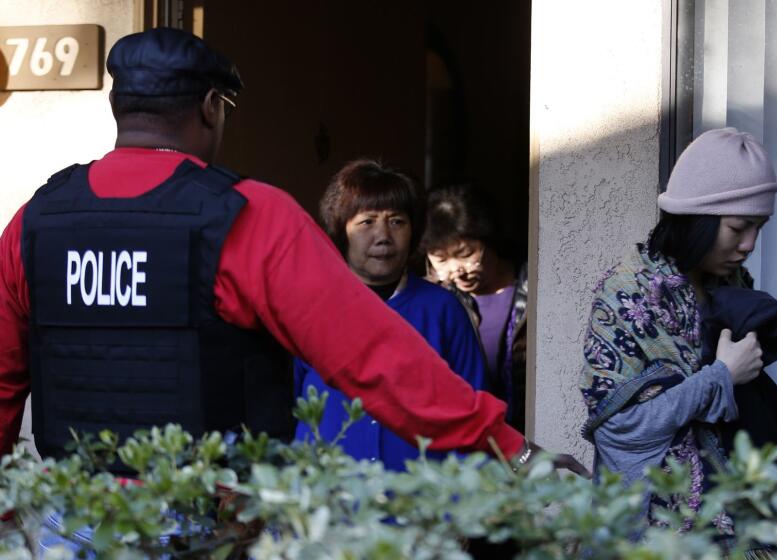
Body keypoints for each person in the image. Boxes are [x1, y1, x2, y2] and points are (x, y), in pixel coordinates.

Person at [0, 27, 587, 477]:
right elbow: (373, 357)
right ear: (210, 107)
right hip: (212, 526)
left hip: (71, 523)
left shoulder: (35, 221)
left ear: (119, 107)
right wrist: (512, 449)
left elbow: (3, 382)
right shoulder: (250, 217)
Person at [579, 127, 775, 533]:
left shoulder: (735, 286)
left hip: (729, 517)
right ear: (697, 219)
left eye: (760, 226)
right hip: (653, 524)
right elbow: (619, 430)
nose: (750, 244)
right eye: (738, 228)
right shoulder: (627, 295)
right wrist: (721, 377)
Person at [295, 159, 487, 471]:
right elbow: (286, 405)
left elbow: (475, 415)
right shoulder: (308, 310)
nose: (383, 235)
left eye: (397, 221)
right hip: (328, 503)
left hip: (422, 503)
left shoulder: (444, 311)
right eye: (366, 222)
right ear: (341, 232)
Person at [422, 184, 528, 432]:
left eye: (466, 253)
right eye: (441, 259)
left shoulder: (533, 285)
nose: (456, 269)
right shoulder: (434, 299)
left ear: (489, 240)